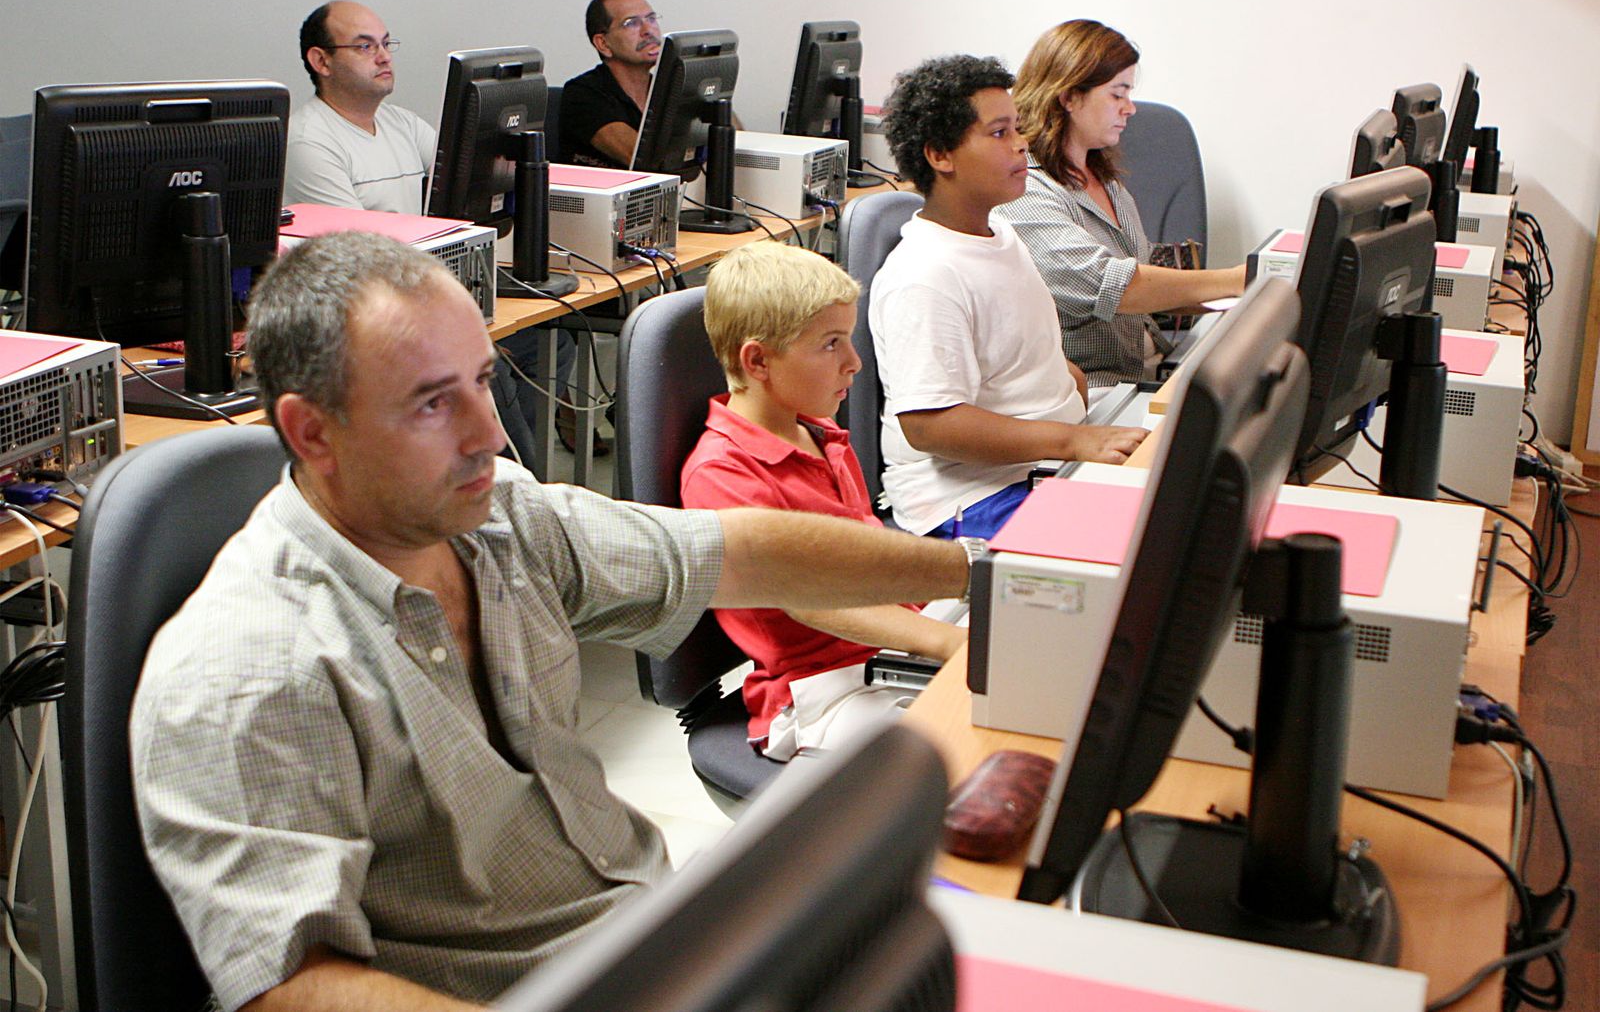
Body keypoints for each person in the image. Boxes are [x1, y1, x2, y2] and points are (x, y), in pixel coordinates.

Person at [129, 231, 970, 1012]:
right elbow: (290, 987)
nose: (489, 434)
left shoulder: (499, 520)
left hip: (647, 937)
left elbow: (739, 551)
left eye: (485, 382)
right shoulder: (246, 668)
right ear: (312, 433)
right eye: (430, 404)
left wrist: (981, 571)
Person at [681, 242, 967, 759]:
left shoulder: (821, 434)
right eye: (831, 344)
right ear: (758, 360)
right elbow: (813, 598)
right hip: (821, 691)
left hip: (891, 645)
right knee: (966, 748)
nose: (854, 363)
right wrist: (945, 645)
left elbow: (865, 552)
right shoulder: (721, 472)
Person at [871, 55, 1148, 539]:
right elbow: (931, 427)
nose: (1022, 144)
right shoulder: (925, 274)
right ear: (941, 155)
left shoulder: (1000, 231)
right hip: (973, 500)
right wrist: (1074, 439)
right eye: (1000, 133)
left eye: (1017, 128)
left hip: (1036, 467)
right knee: (1146, 548)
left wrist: (1068, 389)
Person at [997, 20, 1246, 394]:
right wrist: (1241, 280)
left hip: (1145, 370)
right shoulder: (1023, 190)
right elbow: (1111, 286)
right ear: (1068, 96)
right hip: (1092, 390)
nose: (1130, 109)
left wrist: (1249, 300)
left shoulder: (1103, 178)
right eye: (1117, 94)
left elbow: (1147, 281)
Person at [285, 1, 436, 213]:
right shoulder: (307, 143)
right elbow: (356, 243)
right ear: (321, 61)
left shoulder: (406, 124)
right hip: (378, 247)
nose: (385, 57)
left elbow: (463, 182)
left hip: (413, 247)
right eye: (365, 47)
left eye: (385, 44)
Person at [558, 0, 660, 168]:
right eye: (632, 23)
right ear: (603, 44)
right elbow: (643, 159)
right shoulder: (582, 95)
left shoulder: (666, 89)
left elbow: (729, 143)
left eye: (651, 19)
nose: (648, 30)